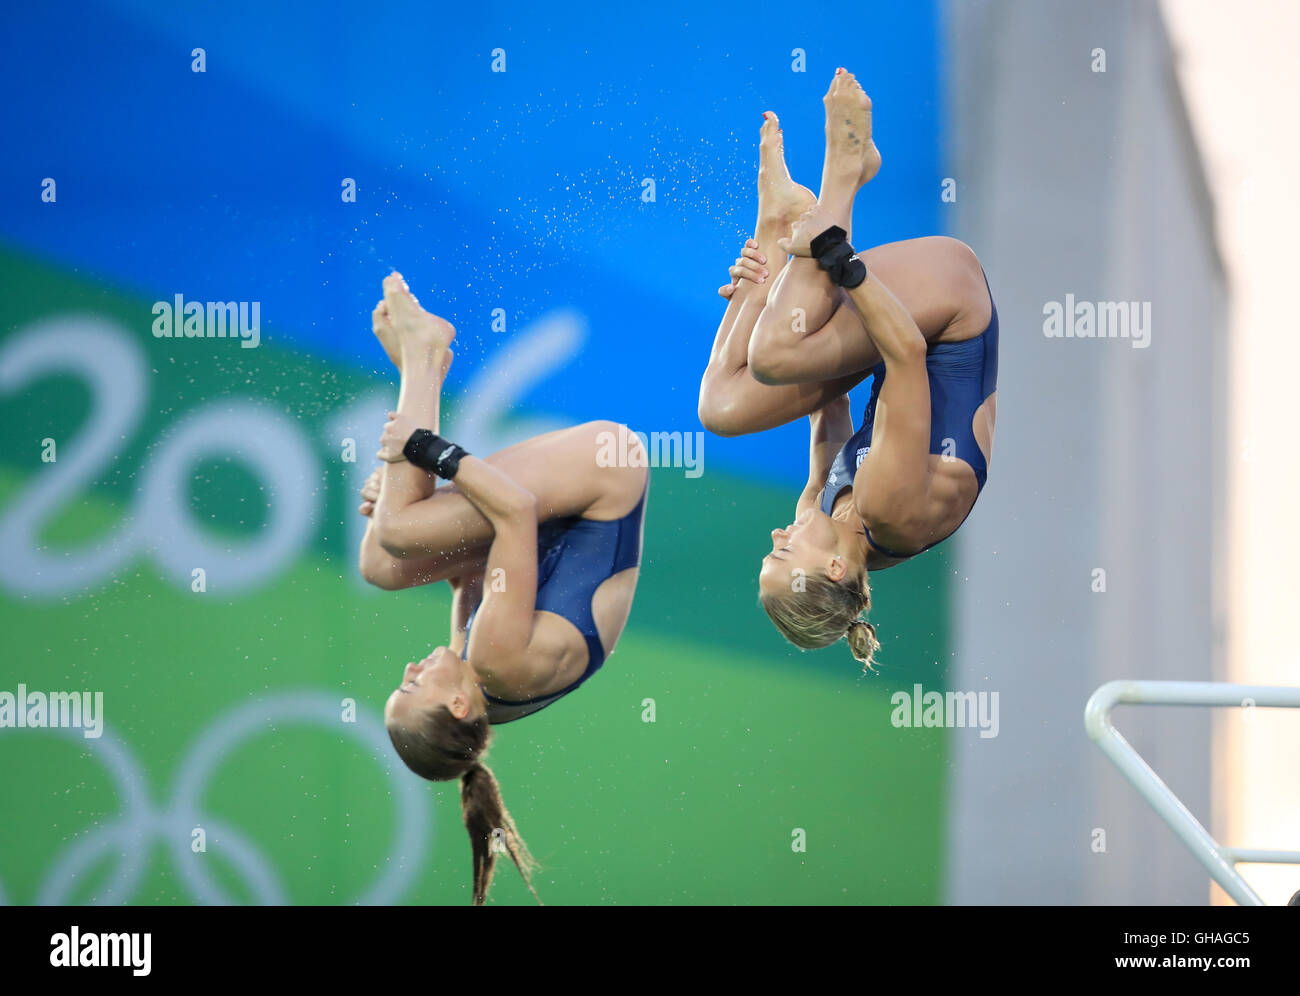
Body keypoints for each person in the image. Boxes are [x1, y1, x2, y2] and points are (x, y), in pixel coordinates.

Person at [361, 272, 648, 903]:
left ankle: (423, 372)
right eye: (413, 684)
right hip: (605, 471)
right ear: (457, 707)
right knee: (403, 529)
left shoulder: (482, 681)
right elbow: (513, 511)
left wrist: (398, 505)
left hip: (557, 525)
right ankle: (424, 357)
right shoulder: (492, 660)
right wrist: (424, 451)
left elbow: (478, 568)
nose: (410, 666)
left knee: (381, 563)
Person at [697, 69, 998, 670]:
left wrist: (764, 296)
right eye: (784, 555)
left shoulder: (821, 511)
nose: (776, 537)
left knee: (722, 408)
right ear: (835, 568)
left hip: (902, 334)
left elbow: (827, 405)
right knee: (778, 352)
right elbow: (909, 356)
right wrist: (838, 260)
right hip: (950, 308)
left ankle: (778, 227)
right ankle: (844, 176)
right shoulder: (889, 509)